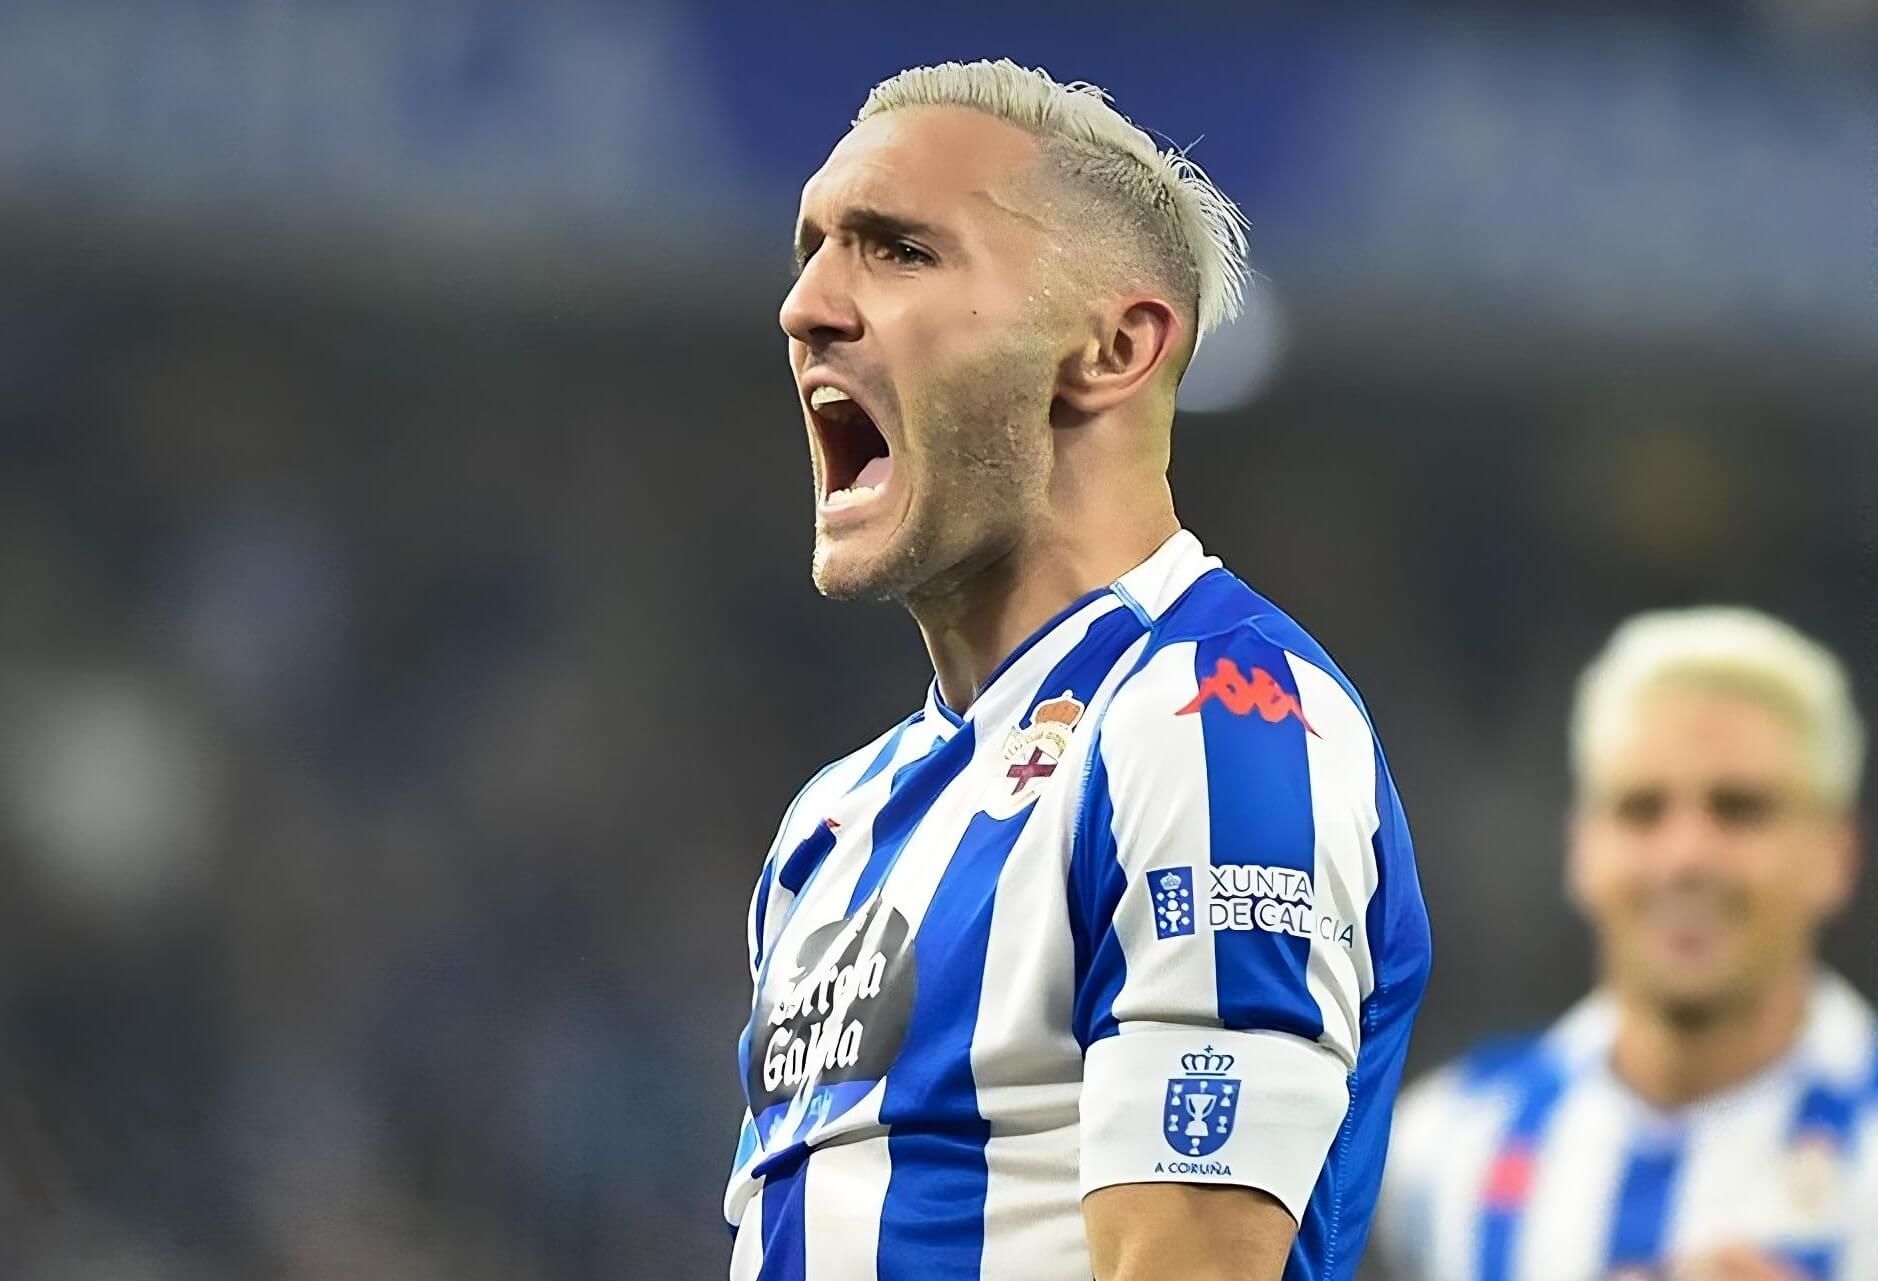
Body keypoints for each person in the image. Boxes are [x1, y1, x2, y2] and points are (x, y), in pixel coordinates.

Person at [721, 60, 1432, 1281]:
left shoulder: (1214, 724)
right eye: (813, 248)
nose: (806, 306)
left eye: (897, 251)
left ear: (1111, 348)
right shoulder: (831, 826)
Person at [1374, 607, 1878, 1281]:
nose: (1686, 856)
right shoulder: (1439, 1149)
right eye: (1642, 809)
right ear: (1582, 847)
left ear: (1836, 852)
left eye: (1740, 808)